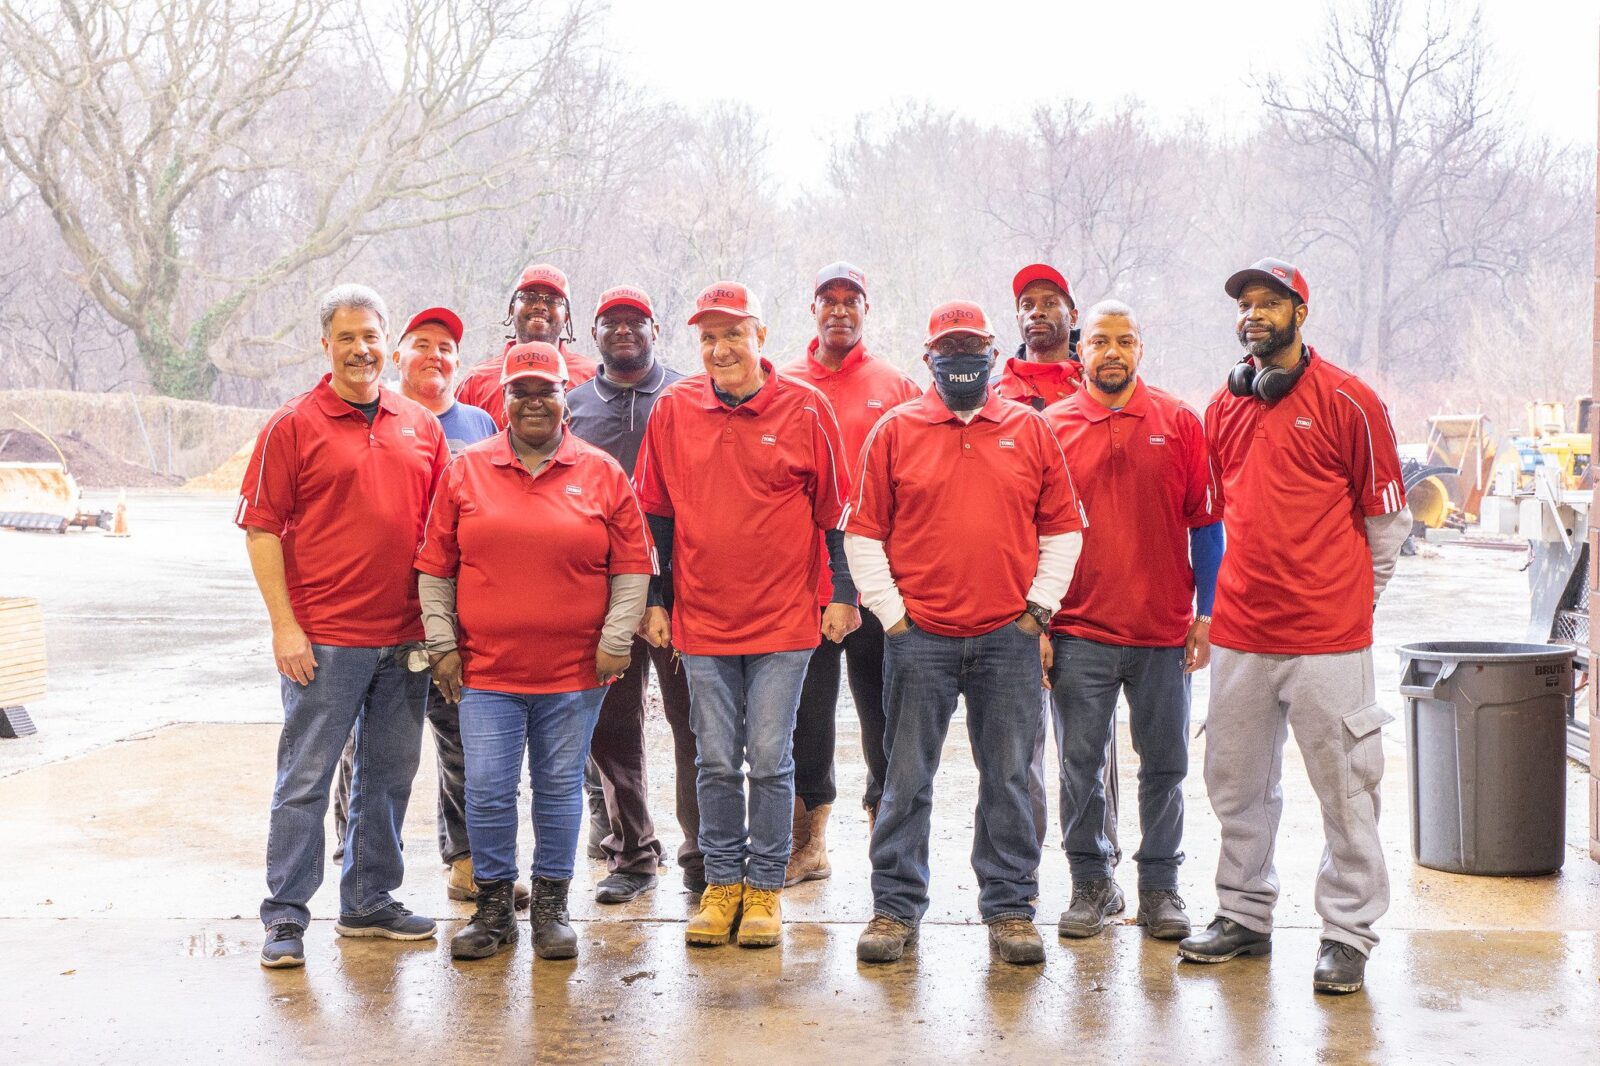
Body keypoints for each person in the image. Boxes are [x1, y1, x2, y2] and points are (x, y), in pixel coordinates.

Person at [1179, 258, 1411, 996]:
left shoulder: (1352, 400)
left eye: (1269, 302)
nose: (1253, 313)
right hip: (1243, 633)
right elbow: (1218, 516)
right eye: (1245, 303)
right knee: (1235, 784)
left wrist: (1352, 603)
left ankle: (1347, 934)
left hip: (1327, 639)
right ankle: (1244, 916)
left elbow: (1387, 522)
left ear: (1300, 313)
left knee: (1347, 790)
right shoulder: (1225, 406)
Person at [847, 300, 1086, 967]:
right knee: (905, 776)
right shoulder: (894, 431)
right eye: (947, 350)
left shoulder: (1030, 431)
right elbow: (863, 532)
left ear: (990, 353)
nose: (961, 361)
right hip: (918, 639)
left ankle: (1010, 909)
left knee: (1010, 776)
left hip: (1006, 640)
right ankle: (895, 908)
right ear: (929, 359)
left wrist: (1039, 609)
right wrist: (893, 615)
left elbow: (1064, 527)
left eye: (972, 348)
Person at [416, 340, 655, 961]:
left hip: (573, 674)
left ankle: (551, 905)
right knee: (490, 790)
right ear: (503, 400)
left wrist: (615, 640)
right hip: (487, 673)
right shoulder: (466, 471)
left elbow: (632, 566)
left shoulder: (601, 473)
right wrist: (442, 644)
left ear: (562, 400)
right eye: (519, 392)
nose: (532, 402)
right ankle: (494, 907)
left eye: (543, 391)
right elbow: (436, 566)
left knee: (556, 789)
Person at [633, 281, 853, 949]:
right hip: (702, 619)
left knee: (769, 753)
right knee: (716, 759)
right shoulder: (674, 410)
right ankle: (721, 885)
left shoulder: (806, 408)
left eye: (733, 334)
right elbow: (655, 514)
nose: (720, 348)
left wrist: (842, 590)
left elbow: (836, 513)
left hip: (785, 620)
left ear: (760, 335)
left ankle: (764, 890)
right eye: (707, 337)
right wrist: (654, 597)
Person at [239, 284, 450, 969]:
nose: (362, 349)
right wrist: (284, 628)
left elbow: (443, 533)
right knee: (306, 776)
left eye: (372, 336)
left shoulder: (421, 426)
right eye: (348, 337)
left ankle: (369, 902)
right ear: (324, 345)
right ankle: (286, 915)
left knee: (388, 776)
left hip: (405, 638)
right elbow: (262, 532)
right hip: (324, 640)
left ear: (388, 343)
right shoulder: (291, 426)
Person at [328, 306, 522, 908]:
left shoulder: (483, 423)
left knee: (464, 740)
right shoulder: (372, 416)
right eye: (422, 344)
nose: (434, 356)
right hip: (380, 615)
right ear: (397, 353)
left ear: (458, 363)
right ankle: (354, 858)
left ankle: (465, 860)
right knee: (367, 747)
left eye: (446, 348)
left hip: (460, 618)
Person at [1045, 299, 1223, 945]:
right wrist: (1038, 623)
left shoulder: (1179, 422)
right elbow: (1033, 533)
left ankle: (1160, 887)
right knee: (1080, 765)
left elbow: (1206, 525)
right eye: (1099, 341)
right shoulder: (1052, 426)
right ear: (1079, 350)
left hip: (1162, 631)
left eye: (1124, 340)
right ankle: (1092, 883)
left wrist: (1207, 613)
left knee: (1166, 765)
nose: (1112, 352)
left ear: (1140, 348)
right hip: (1079, 632)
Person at [779, 262, 920, 886]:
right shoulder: (781, 383)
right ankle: (809, 844)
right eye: (828, 300)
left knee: (883, 714)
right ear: (812, 309)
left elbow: (921, 481)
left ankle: (885, 838)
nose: (840, 310)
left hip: (880, 583)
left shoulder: (894, 385)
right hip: (803, 586)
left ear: (867, 310)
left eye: (851, 300)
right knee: (808, 715)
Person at [565, 284, 698, 902]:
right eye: (611, 322)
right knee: (613, 726)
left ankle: (702, 850)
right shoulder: (573, 405)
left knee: (694, 721)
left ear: (655, 329)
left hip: (681, 585)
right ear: (593, 333)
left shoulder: (687, 395)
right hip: (600, 587)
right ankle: (634, 854)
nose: (624, 330)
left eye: (636, 321)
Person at [456, 263, 598, 427]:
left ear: (566, 316)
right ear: (511, 308)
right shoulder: (476, 381)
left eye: (553, 300)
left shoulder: (592, 378)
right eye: (529, 297)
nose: (539, 306)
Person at [994, 263, 1082, 409]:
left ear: (1073, 318)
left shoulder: (1096, 385)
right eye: (1027, 306)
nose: (1036, 312)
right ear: (1018, 320)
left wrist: (1097, 407)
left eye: (1050, 303)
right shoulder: (994, 392)